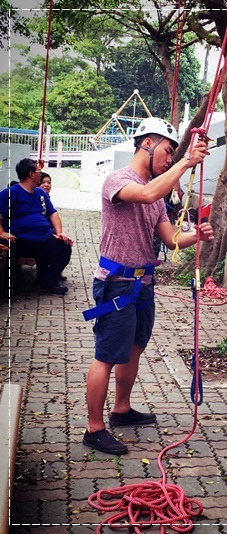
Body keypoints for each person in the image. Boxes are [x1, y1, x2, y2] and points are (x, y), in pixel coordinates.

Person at [82, 117, 213, 455]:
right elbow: (148, 191)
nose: (170, 159)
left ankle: (121, 410)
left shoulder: (157, 195)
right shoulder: (118, 181)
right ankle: (93, 428)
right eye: (168, 152)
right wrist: (187, 161)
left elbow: (170, 240)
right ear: (147, 143)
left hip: (144, 285)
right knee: (106, 356)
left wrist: (195, 236)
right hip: (116, 286)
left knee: (134, 349)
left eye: (173, 155)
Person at [0, 158, 72, 295]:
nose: (41, 173)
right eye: (38, 171)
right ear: (31, 174)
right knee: (9, 249)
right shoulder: (11, 192)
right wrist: (1, 232)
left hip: (43, 238)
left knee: (63, 247)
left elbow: (53, 214)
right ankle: (10, 286)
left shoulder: (41, 194)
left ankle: (48, 282)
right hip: (20, 239)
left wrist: (59, 232)